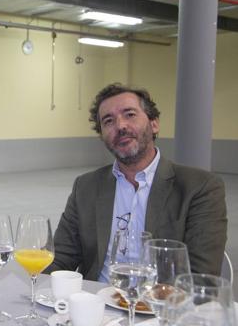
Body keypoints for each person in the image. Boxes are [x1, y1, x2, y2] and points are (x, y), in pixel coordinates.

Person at [49, 83, 227, 281]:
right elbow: (62, 258)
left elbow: (201, 277)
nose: (120, 126)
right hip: (95, 304)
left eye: (130, 114)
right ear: (102, 136)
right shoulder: (86, 187)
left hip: (162, 307)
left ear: (154, 123)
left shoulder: (199, 187)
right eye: (108, 121)